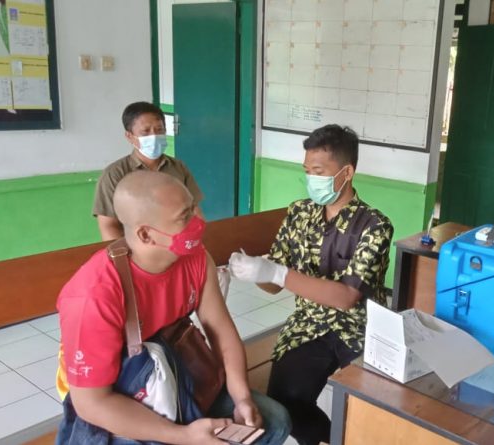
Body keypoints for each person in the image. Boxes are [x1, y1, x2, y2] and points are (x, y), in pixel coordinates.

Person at [56, 171, 290, 444]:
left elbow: (221, 331)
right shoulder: (94, 295)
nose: (199, 221)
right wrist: (183, 436)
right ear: (146, 234)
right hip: (122, 398)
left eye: (194, 208)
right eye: (185, 216)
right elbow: (92, 403)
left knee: (273, 422)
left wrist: (242, 398)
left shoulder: (195, 258)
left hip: (177, 374)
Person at [229, 124, 394, 445]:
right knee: (284, 403)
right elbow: (273, 286)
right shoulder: (299, 213)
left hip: (361, 328)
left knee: (373, 410)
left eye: (319, 172)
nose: (311, 179)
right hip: (308, 325)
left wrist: (275, 272)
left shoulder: (375, 225)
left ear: (347, 173)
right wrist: (252, 272)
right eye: (307, 171)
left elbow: (346, 298)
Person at [93, 101, 203, 241]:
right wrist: (127, 253)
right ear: (129, 136)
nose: (154, 136)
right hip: (135, 249)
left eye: (159, 129)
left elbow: (194, 210)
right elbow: (108, 226)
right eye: (145, 131)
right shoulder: (114, 174)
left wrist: (196, 239)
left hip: (178, 245)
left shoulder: (178, 167)